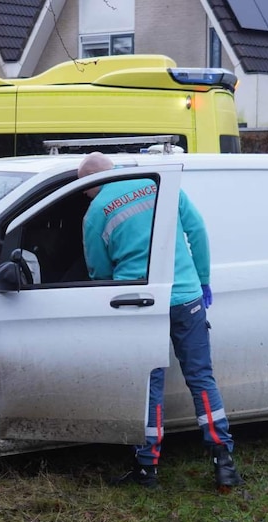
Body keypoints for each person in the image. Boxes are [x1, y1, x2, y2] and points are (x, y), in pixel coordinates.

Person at [78, 151, 243, 490]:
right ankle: (223, 462)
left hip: (140, 304)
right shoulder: (162, 184)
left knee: (149, 384)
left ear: (89, 186)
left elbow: (99, 271)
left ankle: (147, 468)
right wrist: (202, 279)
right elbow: (197, 231)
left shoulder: (95, 212)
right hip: (186, 297)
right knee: (201, 378)